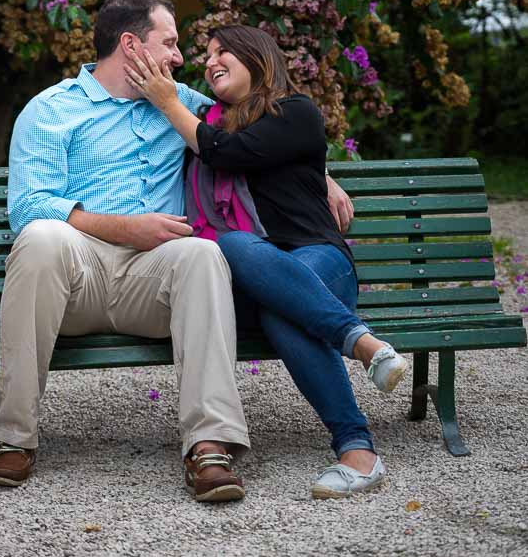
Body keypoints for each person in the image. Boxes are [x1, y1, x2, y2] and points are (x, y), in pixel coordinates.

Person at [0, 0, 353, 501]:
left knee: (203, 252)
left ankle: (209, 446)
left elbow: (261, 128)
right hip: (73, 277)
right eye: (171, 43)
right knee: (41, 235)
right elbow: (28, 206)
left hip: (153, 280)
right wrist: (121, 227)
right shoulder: (51, 110)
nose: (181, 59)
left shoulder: (180, 104)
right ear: (131, 45)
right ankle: (14, 440)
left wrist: (321, 174)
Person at [124, 24, 408, 500]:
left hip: (318, 259)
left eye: (223, 52)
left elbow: (230, 152)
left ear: (256, 56)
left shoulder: (294, 111)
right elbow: (215, 144)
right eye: (206, 56)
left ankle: (358, 451)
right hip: (249, 281)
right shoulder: (207, 121)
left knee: (264, 283)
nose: (210, 61)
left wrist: (168, 101)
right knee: (242, 259)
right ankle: (360, 347)